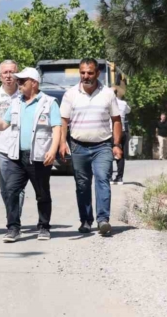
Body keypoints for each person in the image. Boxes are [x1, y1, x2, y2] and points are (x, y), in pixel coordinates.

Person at [0, 67, 61, 242]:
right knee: (11, 191)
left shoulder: (49, 102)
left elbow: (57, 127)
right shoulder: (16, 102)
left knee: (42, 193)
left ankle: (44, 227)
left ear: (34, 83)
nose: (19, 84)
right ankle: (13, 228)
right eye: (18, 81)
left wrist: (53, 150)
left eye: (22, 81)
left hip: (38, 156)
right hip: (16, 156)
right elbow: (2, 125)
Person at [59, 59, 123, 236]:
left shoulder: (108, 94)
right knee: (82, 184)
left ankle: (103, 220)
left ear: (97, 73)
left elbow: (116, 120)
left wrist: (116, 144)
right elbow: (63, 121)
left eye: (89, 73)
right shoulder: (70, 94)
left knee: (102, 179)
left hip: (102, 146)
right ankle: (86, 221)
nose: (86, 76)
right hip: (78, 146)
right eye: (82, 73)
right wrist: (62, 142)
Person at [0, 60, 25, 220]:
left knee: (17, 187)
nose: (8, 76)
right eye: (5, 73)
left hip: (21, 147)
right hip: (2, 148)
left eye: (11, 72)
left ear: (17, 74)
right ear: (0, 76)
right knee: (4, 187)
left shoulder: (24, 94)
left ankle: (13, 219)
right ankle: (12, 215)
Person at [111, 89, 131, 185]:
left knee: (108, 155)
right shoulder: (123, 103)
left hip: (111, 131)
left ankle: (109, 177)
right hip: (122, 131)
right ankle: (119, 178)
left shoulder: (107, 103)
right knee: (120, 155)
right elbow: (128, 110)